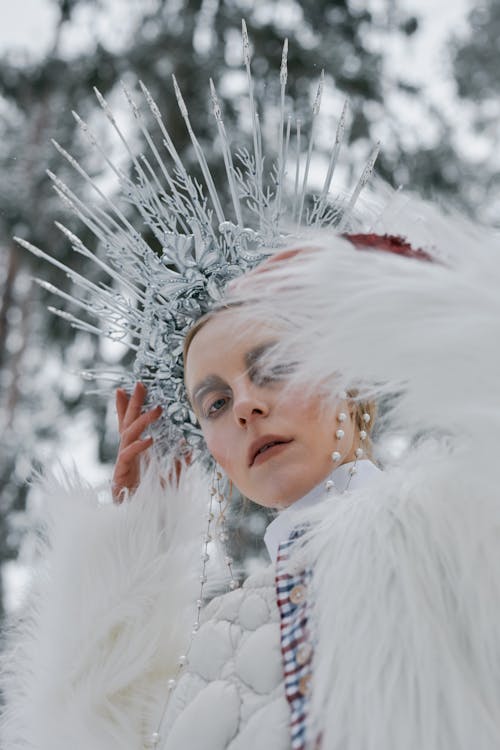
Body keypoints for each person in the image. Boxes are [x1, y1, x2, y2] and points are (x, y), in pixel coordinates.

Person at [3, 25, 500, 750]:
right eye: (215, 402)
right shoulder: (212, 638)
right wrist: (132, 552)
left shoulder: (454, 524)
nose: (248, 406)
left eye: (273, 367)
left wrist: (410, 304)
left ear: (347, 377)